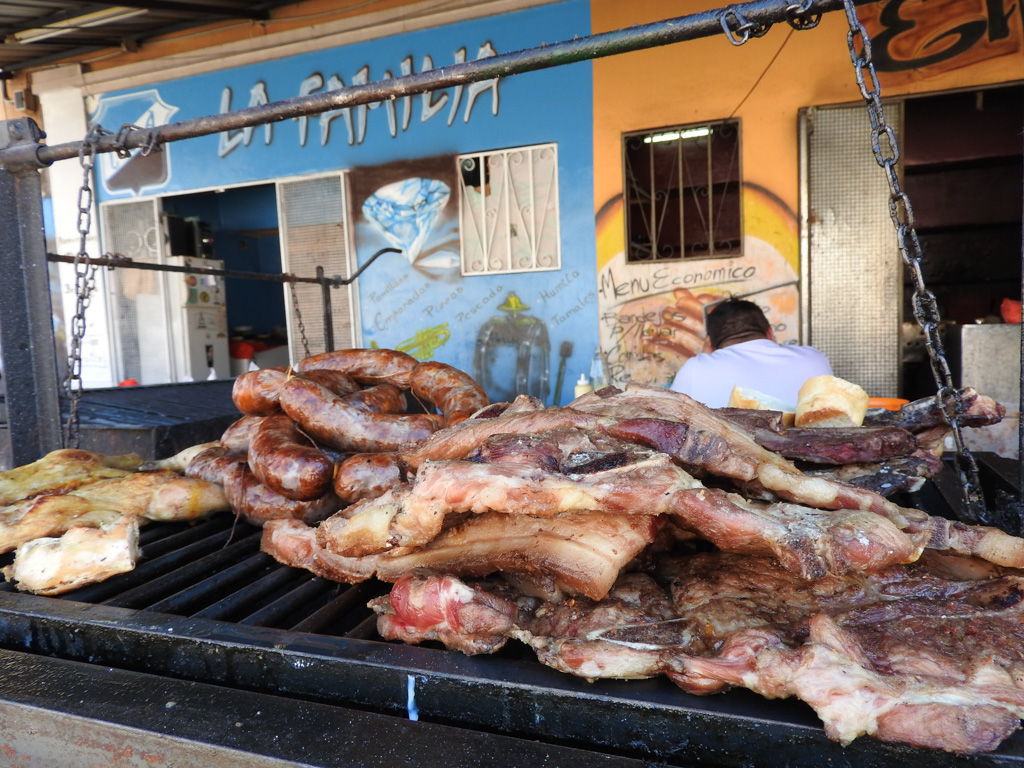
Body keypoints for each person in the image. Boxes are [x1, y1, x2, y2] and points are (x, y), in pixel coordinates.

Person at [669, 298, 832, 408]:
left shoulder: (695, 368)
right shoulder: (814, 357)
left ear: (711, 344)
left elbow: (673, 418)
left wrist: (704, 356)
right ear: (770, 333)